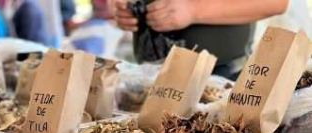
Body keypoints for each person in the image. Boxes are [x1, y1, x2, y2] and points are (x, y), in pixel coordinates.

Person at [113, 0, 289, 79]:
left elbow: (276, 2)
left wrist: (193, 9)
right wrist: (127, 10)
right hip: (149, 75)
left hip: (218, 78)